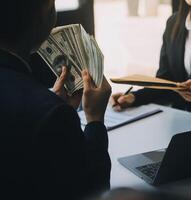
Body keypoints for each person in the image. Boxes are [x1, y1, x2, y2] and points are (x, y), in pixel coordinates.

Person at [0, 0, 111, 199]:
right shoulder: (50, 114)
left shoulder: (47, 107)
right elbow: (93, 189)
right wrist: (95, 120)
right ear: (42, 16)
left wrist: (52, 102)